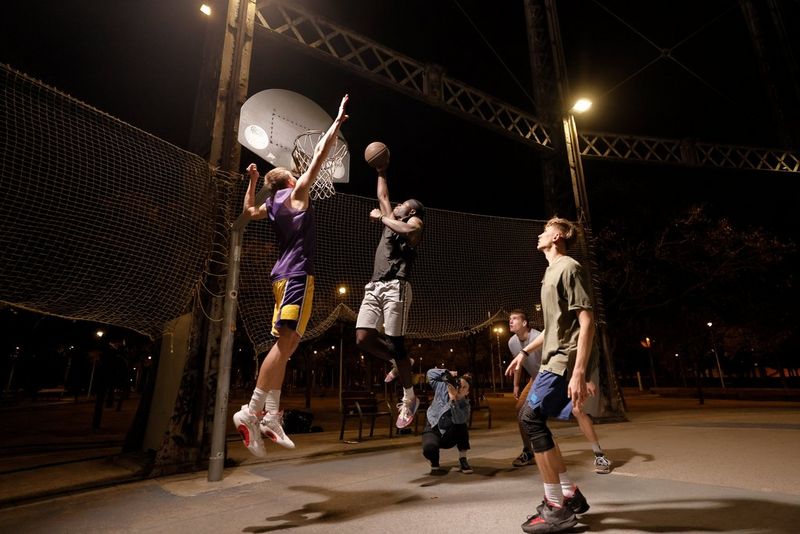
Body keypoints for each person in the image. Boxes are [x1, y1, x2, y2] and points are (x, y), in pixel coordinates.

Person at [232, 95, 350, 458]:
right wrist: (338, 122)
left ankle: (270, 415)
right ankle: (251, 410)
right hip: (297, 275)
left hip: (281, 278)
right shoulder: (296, 193)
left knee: (289, 346)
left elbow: (249, 209)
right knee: (285, 346)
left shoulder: (271, 205)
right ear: (287, 179)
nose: (301, 176)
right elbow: (319, 156)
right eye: (294, 174)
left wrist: (252, 179)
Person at [505, 217, 595, 533]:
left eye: (544, 230)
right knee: (535, 420)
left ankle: (556, 507)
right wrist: (524, 353)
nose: (539, 234)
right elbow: (554, 328)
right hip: (550, 360)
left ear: (556, 236)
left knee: (530, 420)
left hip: (562, 362)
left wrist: (579, 371)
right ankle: (568, 493)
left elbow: (586, 322)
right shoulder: (550, 271)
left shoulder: (569, 267)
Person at [355, 155, 425, 429]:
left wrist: (383, 218)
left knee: (396, 343)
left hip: (397, 286)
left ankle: (409, 398)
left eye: (402, 205)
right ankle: (399, 362)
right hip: (374, 286)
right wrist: (382, 170)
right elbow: (382, 193)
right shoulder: (389, 216)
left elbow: (408, 229)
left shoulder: (415, 224)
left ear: (411, 212)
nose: (396, 205)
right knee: (362, 338)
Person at [421, 368, 473, 475]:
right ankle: (434, 461)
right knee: (428, 449)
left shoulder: (465, 405)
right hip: (434, 427)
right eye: (459, 385)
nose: (460, 389)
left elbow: (459, 420)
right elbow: (430, 373)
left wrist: (453, 400)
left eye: (464, 388)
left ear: (467, 392)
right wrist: (446, 374)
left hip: (451, 436)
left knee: (461, 425)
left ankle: (463, 459)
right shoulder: (442, 387)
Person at [508, 309, 542, 468]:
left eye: (514, 319)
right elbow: (518, 363)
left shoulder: (537, 337)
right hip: (534, 379)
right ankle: (528, 451)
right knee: (519, 409)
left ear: (524, 323)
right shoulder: (512, 342)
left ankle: (541, 449)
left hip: (546, 377)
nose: (510, 321)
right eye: (510, 319)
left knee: (530, 414)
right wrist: (516, 384)